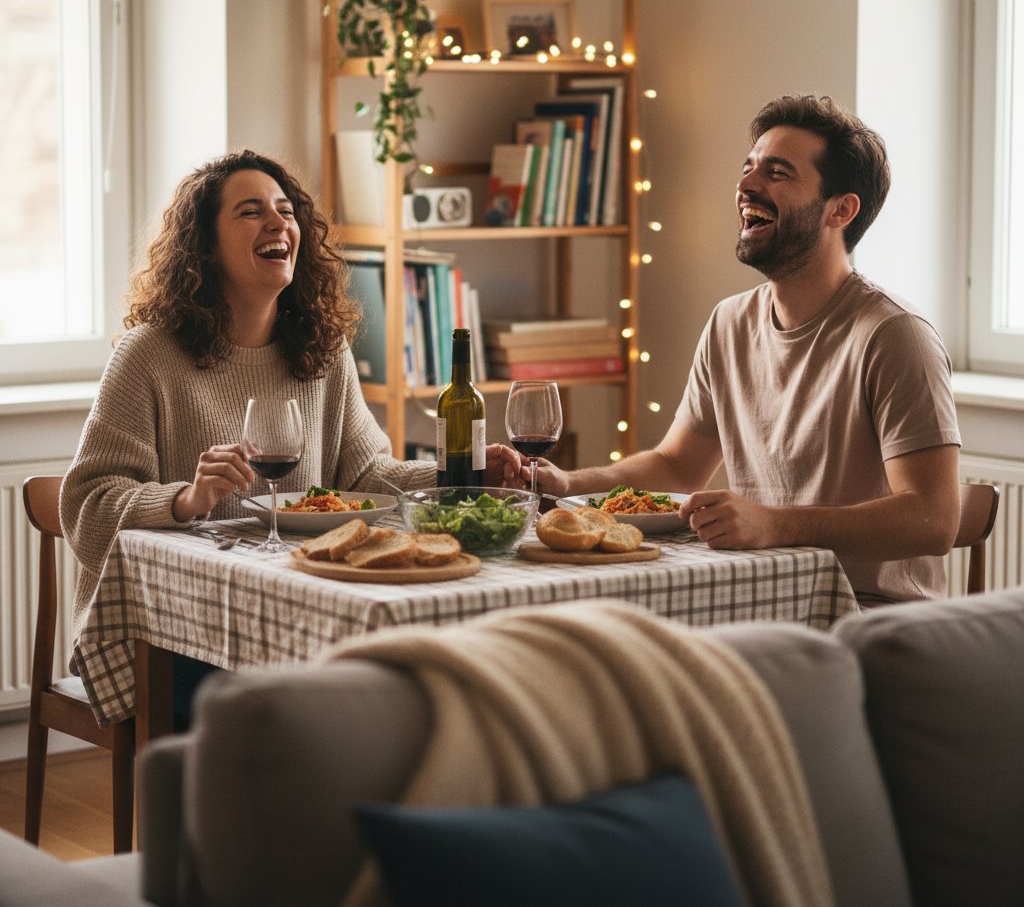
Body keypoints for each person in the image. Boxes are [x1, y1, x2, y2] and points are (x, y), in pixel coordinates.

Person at [60, 150, 511, 711]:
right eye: (251, 212)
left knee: (410, 676)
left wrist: (462, 475)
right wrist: (185, 499)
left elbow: (366, 475)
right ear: (205, 246)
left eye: (287, 211)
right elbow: (86, 505)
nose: (278, 223)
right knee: (325, 702)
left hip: (298, 606)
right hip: (176, 632)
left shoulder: (323, 349)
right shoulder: (148, 355)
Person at [511, 95, 961, 605]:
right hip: (760, 599)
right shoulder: (729, 323)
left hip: (870, 616)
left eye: (777, 172)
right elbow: (677, 466)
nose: (747, 185)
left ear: (841, 209)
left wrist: (776, 524)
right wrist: (566, 484)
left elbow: (933, 519)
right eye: (748, 168)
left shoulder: (895, 335)